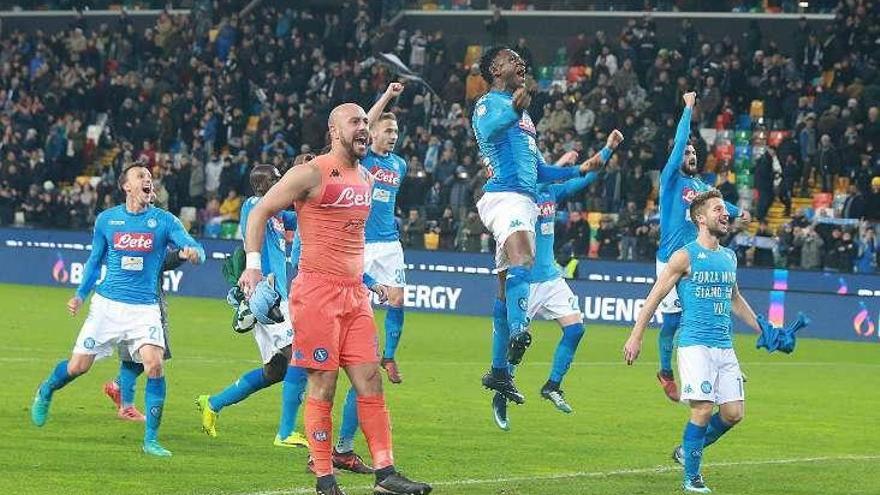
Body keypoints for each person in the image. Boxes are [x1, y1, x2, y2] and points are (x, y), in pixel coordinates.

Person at [238, 103, 431, 495]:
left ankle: (385, 474)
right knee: (323, 385)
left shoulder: (366, 178)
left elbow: (353, 241)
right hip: (317, 294)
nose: (364, 128)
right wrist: (253, 266)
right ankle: (326, 479)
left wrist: (369, 280)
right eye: (355, 122)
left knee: (370, 380)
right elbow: (259, 213)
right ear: (333, 131)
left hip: (354, 295)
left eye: (366, 122)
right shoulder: (309, 173)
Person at [473, 45, 623, 404]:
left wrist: (579, 169)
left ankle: (498, 371)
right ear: (495, 69)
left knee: (505, 284)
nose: (520, 63)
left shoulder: (525, 118)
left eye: (521, 60)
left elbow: (538, 170)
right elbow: (491, 127)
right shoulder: (487, 104)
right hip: (505, 196)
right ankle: (520, 331)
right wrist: (515, 107)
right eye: (511, 60)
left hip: (522, 198)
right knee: (524, 258)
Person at [624, 190, 802, 493]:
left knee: (734, 414)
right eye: (718, 209)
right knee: (704, 408)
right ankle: (692, 478)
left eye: (725, 210)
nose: (726, 214)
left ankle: (685, 451)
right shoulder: (685, 256)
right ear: (700, 218)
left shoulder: (729, 256)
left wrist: (764, 328)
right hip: (695, 345)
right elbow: (655, 295)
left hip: (724, 346)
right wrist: (636, 335)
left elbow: (735, 299)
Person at [30, 164, 205, 457]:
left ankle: (151, 440)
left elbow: (193, 245)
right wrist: (79, 295)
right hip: (107, 306)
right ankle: (47, 390)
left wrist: (194, 253)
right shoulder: (107, 220)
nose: (148, 180)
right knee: (78, 367)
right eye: (141, 176)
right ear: (126, 186)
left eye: (150, 177)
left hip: (145, 308)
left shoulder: (164, 220)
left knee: (154, 364)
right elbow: (93, 261)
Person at [196, 165, 312, 449]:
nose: (280, 181)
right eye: (275, 178)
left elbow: (301, 215)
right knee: (300, 360)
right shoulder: (254, 206)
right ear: (262, 185)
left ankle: (213, 403)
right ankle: (285, 433)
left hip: (276, 295)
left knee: (276, 371)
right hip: (265, 296)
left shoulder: (276, 212)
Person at [490, 155, 603, 431]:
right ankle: (501, 396)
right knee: (515, 346)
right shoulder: (517, 197)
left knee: (576, 330)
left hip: (551, 278)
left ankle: (552, 385)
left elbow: (585, 178)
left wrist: (608, 153)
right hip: (525, 280)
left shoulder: (551, 191)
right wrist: (502, 291)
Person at [655, 92, 750, 402]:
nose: (691, 155)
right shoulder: (670, 179)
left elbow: (721, 204)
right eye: (686, 152)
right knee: (671, 322)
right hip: (671, 261)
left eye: (694, 152)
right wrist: (687, 108)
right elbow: (680, 141)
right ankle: (665, 371)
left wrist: (739, 213)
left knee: (705, 314)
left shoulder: (699, 188)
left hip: (696, 262)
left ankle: (724, 366)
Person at [361, 82, 409, 386]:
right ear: (374, 133)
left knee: (398, 300)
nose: (393, 136)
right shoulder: (363, 159)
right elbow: (364, 123)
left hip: (390, 243)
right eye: (387, 131)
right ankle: (361, 353)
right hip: (362, 245)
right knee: (361, 309)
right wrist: (388, 95)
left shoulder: (400, 165)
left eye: (395, 132)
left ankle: (388, 356)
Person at [102, 247, 183, 421]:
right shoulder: (146, 236)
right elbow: (158, 262)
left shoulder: (124, 235)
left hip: (124, 303)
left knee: (140, 356)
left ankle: (119, 389)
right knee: (151, 356)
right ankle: (124, 401)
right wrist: (181, 254)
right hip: (147, 305)